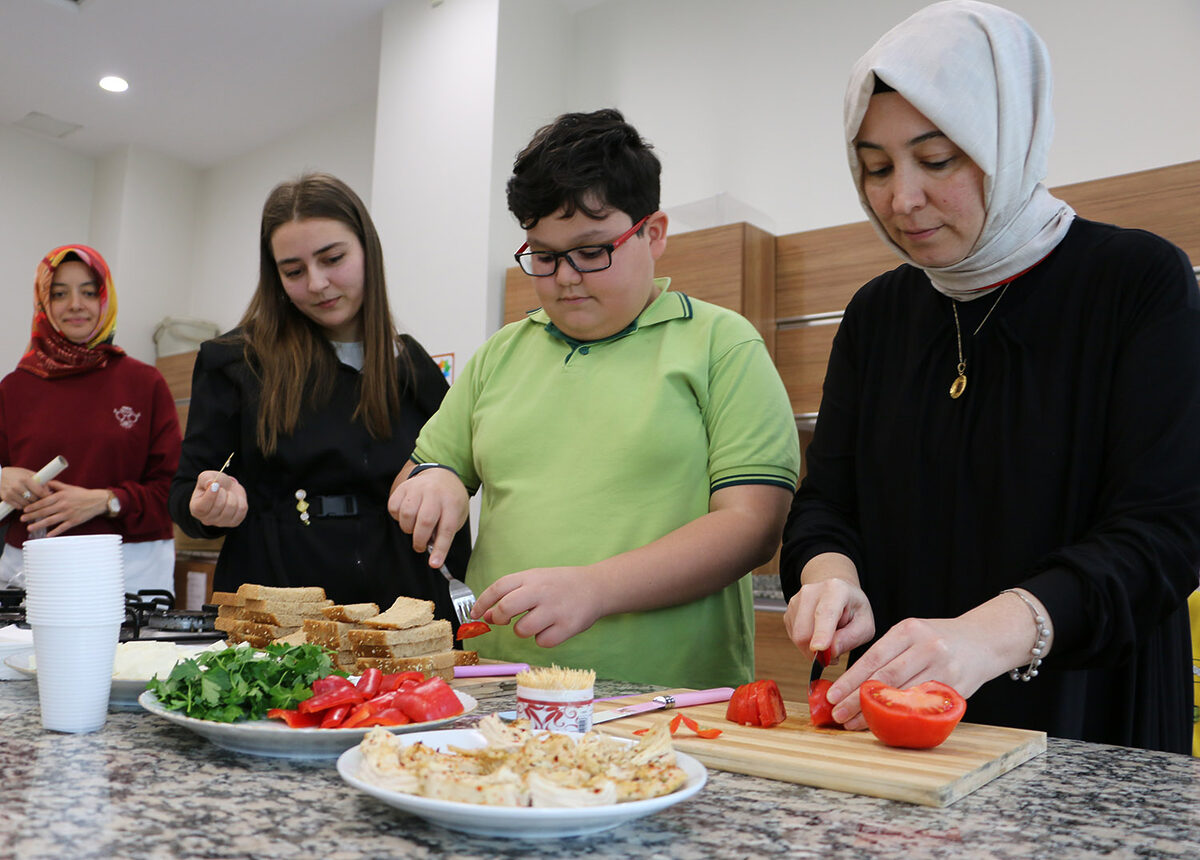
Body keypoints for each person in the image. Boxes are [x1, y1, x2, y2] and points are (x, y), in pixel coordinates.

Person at [780, 0, 1200, 753]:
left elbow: (1164, 531)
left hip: (1089, 717)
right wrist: (828, 575)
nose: (900, 199)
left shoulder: (1138, 283)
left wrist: (989, 636)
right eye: (875, 167)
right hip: (901, 725)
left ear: (1008, 137)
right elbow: (826, 505)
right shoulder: (876, 315)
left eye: (936, 159)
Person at [388, 109, 801, 689]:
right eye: (544, 255)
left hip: (669, 696)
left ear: (653, 233)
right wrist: (435, 481)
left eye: (591, 251)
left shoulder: (720, 344)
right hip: (501, 684)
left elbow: (751, 527)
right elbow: (420, 471)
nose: (565, 277)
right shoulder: (500, 354)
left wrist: (596, 588)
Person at [169, 173, 469, 618]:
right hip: (278, 605)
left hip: (401, 605)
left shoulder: (411, 363)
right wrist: (210, 504)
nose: (317, 284)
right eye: (293, 271)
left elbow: (454, 467)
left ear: (368, 249)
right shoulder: (235, 361)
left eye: (332, 259)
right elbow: (185, 495)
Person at [0, 245, 181, 593]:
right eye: (59, 293)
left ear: (105, 299)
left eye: (88, 291)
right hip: (30, 574)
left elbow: (173, 492)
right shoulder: (14, 388)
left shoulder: (144, 383)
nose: (76, 305)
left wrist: (108, 500)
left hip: (128, 574)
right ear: (43, 302)